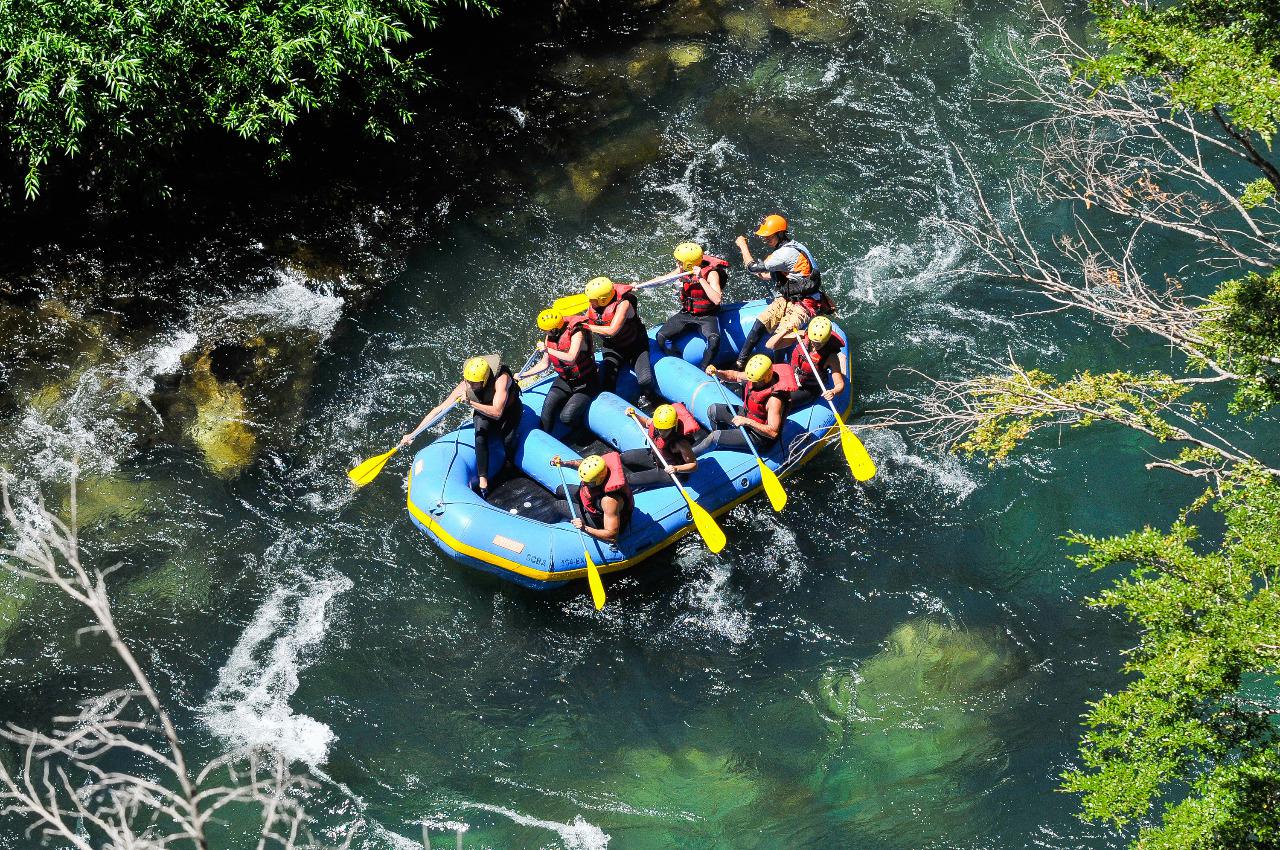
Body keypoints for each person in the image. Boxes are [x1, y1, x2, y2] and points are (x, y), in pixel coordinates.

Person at [401, 355, 522, 498]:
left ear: (484, 379)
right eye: (468, 381)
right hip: (483, 410)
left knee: (508, 440)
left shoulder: (502, 379)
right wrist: (412, 434)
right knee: (480, 436)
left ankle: (509, 467)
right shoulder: (466, 383)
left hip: (508, 411)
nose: (470, 386)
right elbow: (439, 409)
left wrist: (470, 403)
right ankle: (483, 481)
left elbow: (497, 413)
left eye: (474, 383)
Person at [733, 214, 836, 367]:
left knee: (778, 337)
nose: (765, 239)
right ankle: (740, 361)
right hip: (789, 297)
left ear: (780, 234)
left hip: (806, 302)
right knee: (760, 323)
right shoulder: (793, 246)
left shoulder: (784, 254)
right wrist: (767, 276)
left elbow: (752, 267)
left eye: (769, 236)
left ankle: (779, 367)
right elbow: (790, 274)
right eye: (765, 236)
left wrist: (742, 246)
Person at [518, 308, 599, 437]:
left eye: (545, 329)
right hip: (565, 380)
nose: (543, 332)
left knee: (566, 417)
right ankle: (547, 442)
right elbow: (544, 364)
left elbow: (571, 358)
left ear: (554, 328)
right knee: (546, 413)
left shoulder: (576, 333)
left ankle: (584, 434)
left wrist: (547, 350)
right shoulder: (549, 337)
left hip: (586, 381)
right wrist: (522, 375)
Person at [695, 354, 796, 455]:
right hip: (747, 415)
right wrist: (717, 372)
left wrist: (747, 422)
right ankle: (723, 443)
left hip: (759, 437)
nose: (752, 382)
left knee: (715, 436)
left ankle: (693, 454)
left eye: (755, 382)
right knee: (713, 410)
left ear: (767, 377)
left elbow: (773, 432)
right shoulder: (756, 376)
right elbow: (735, 375)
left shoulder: (774, 400)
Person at [582, 276, 656, 402]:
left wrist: (586, 327)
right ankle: (612, 407)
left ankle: (649, 397)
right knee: (607, 383)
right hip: (612, 347)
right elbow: (585, 323)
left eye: (592, 299)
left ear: (603, 300)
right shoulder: (593, 306)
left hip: (635, 346)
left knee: (645, 380)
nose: (589, 301)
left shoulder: (624, 304)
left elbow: (612, 330)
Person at [655, 242, 728, 369]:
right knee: (661, 337)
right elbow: (662, 280)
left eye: (679, 261)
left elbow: (717, 299)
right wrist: (636, 286)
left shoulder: (711, 274)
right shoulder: (682, 270)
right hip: (687, 313)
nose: (677, 264)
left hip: (708, 315)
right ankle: (680, 363)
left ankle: (703, 368)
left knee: (714, 341)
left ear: (689, 263)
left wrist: (700, 278)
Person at [550, 453, 634, 544]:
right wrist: (564, 463)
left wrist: (584, 528)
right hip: (595, 502)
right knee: (560, 489)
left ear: (598, 480)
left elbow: (612, 537)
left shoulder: (610, 501)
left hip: (601, 520)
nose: (584, 484)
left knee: (559, 505)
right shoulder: (600, 468)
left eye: (588, 483)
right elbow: (582, 465)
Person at [620, 403, 700, 489]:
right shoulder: (658, 424)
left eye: (666, 430)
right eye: (660, 429)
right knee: (624, 457)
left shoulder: (681, 443)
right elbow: (647, 422)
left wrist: (676, 468)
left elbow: (693, 465)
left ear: (674, 426)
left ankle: (648, 480)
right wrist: (634, 415)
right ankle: (646, 476)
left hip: (670, 471)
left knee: (628, 480)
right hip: (655, 458)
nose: (662, 433)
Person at [788, 316, 847, 408]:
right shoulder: (801, 337)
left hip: (809, 388)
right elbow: (771, 345)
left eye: (821, 342)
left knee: (783, 400)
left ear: (827, 339)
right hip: (792, 378)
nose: (816, 345)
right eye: (814, 341)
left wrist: (833, 392)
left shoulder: (831, 357)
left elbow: (840, 384)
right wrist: (785, 331)